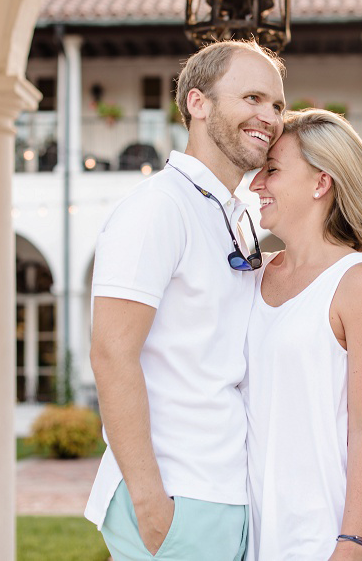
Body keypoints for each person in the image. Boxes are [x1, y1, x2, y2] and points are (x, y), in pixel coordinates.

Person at [84, 40, 286, 560]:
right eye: (253, 98)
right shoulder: (156, 210)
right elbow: (112, 354)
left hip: (226, 490)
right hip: (177, 497)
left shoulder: (233, 214)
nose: (269, 117)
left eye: (278, 106)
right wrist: (152, 503)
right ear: (198, 103)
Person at [244, 109, 362, 561]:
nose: (256, 184)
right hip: (250, 530)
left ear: (320, 183)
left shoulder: (359, 285)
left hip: (323, 535)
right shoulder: (250, 278)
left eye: (271, 170)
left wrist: (350, 546)